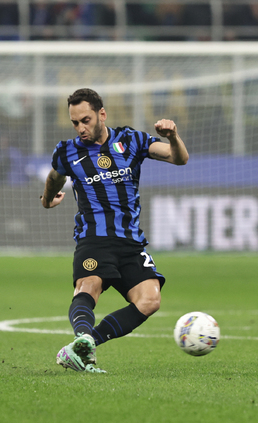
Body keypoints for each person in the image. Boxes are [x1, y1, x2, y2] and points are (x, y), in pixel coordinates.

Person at [41, 88, 188, 373]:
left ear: (102, 114)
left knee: (150, 299)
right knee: (88, 287)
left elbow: (178, 158)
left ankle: (84, 345)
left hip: (130, 242)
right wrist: (48, 200)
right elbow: (54, 177)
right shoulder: (67, 152)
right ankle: (83, 339)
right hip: (93, 239)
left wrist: (172, 136)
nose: (81, 128)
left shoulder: (131, 140)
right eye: (75, 123)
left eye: (85, 120)